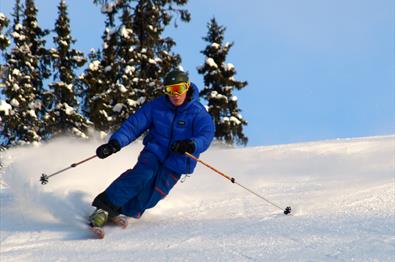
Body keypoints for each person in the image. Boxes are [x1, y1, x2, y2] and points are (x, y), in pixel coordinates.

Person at [89, 70, 215, 228]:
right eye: (170, 90)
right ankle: (105, 207)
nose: (175, 95)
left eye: (179, 89)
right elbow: (134, 125)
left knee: (153, 194)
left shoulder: (198, 113)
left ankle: (122, 211)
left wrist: (191, 144)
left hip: (179, 159)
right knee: (143, 175)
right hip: (155, 151)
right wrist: (115, 143)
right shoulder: (157, 106)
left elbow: (206, 134)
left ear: (187, 87)